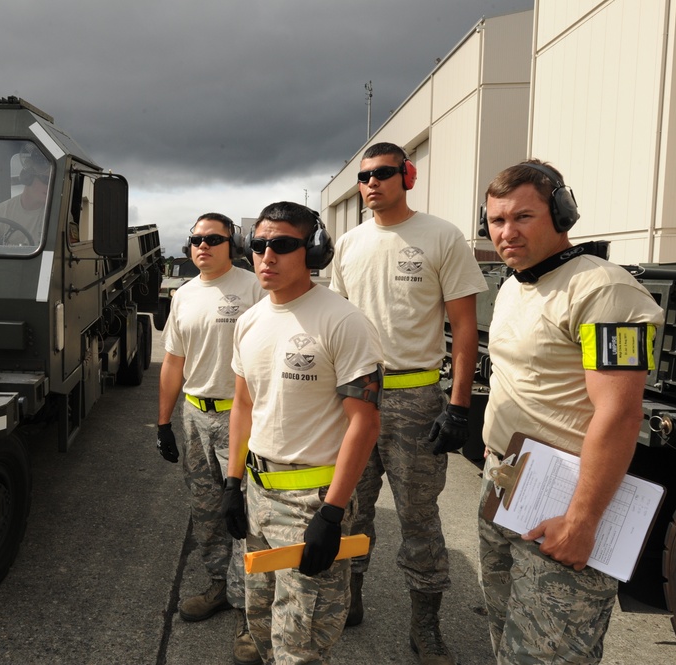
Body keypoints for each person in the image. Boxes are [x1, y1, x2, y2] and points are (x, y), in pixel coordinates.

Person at [478, 160, 663, 663]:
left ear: (561, 214)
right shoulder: (516, 284)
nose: (507, 233)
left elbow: (621, 415)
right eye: (496, 221)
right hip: (508, 479)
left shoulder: (606, 290)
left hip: (563, 498)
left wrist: (582, 519)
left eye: (523, 217)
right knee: (506, 636)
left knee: (548, 653)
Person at [328, 142, 486, 663]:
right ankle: (350, 599)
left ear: (407, 175)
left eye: (382, 173)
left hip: (417, 398)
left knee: (419, 518)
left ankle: (425, 629)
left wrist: (458, 406)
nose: (371, 184)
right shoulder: (348, 244)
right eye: (364, 177)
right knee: (352, 511)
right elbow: (336, 322)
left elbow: (463, 326)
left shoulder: (441, 236)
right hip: (357, 398)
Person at [222, 201, 384, 664]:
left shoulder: (343, 321)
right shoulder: (250, 321)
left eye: (282, 245)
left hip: (311, 501)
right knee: (261, 626)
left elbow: (365, 422)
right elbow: (245, 405)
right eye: (258, 245)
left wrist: (331, 514)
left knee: (301, 644)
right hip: (257, 496)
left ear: (312, 252)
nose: (266, 256)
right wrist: (234, 483)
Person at [157, 213, 265, 665]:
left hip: (240, 418)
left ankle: (249, 615)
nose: (202, 246)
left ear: (232, 243)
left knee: (245, 516)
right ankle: (220, 586)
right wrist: (163, 422)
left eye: (213, 239)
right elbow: (172, 363)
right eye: (196, 240)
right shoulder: (184, 295)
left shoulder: (254, 287)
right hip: (195, 415)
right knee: (205, 512)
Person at [0, 150, 52, 246]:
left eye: (53, 180)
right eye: (46, 180)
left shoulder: (58, 215)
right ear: (28, 178)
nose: (50, 186)